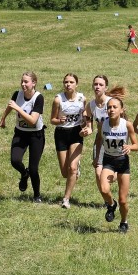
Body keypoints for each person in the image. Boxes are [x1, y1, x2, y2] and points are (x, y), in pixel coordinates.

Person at [79, 75, 126, 204]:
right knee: (98, 173)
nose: (97, 87)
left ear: (105, 87)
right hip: (100, 140)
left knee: (113, 175)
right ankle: (108, 202)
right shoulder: (91, 105)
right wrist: (85, 132)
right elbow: (90, 128)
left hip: (116, 139)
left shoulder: (112, 103)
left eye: (100, 84)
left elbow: (124, 121)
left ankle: (114, 175)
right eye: (95, 84)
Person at [0, 72, 45, 203]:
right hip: (20, 133)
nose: (23, 84)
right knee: (15, 160)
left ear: (34, 83)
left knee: (34, 168)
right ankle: (24, 174)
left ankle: (37, 195)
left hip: (36, 135)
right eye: (22, 81)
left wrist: (18, 109)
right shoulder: (17, 94)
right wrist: (3, 118)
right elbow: (10, 106)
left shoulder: (38, 98)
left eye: (26, 82)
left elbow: (32, 120)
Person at [97, 98, 138, 233]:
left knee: (123, 200)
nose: (111, 110)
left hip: (122, 162)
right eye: (109, 107)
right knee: (104, 189)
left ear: (121, 110)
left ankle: (124, 221)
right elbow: (99, 140)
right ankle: (111, 204)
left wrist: (130, 147)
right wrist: (97, 157)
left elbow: (136, 145)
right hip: (108, 160)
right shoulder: (103, 124)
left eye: (115, 107)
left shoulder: (127, 125)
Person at [50, 73, 86, 209]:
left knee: (72, 168)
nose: (68, 84)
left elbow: (85, 117)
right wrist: (59, 121)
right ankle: (75, 167)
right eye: (66, 82)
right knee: (65, 172)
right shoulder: (58, 100)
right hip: (61, 134)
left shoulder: (82, 99)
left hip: (76, 133)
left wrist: (85, 126)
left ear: (76, 84)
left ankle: (66, 199)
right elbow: (52, 120)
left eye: (71, 82)